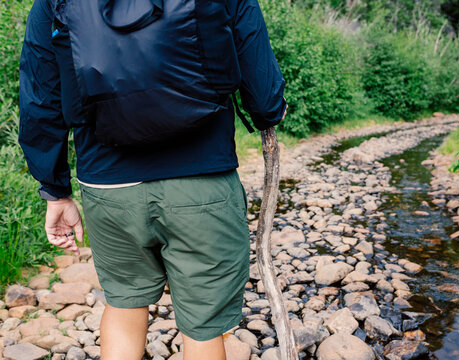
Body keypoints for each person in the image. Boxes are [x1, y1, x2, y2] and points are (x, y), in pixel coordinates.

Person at [18, 0, 287, 359]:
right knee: (204, 326)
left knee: (124, 306)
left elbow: (40, 97)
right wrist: (270, 109)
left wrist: (55, 191)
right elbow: (262, 85)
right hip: (202, 182)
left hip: (108, 187)